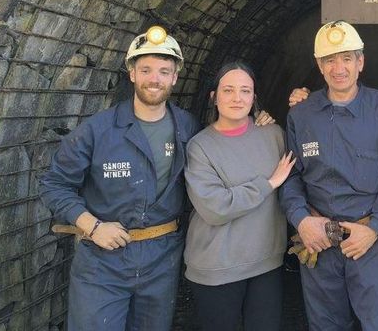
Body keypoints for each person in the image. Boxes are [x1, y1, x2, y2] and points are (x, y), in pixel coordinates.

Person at [39, 26, 200, 330]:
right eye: (146, 69)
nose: (155, 79)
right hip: (103, 261)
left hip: (161, 259)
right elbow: (54, 184)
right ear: (132, 74)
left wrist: (260, 119)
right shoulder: (98, 130)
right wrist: (92, 225)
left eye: (164, 71)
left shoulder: (187, 127)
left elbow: (224, 142)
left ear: (175, 77)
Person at [279, 20, 378, 331]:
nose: (339, 68)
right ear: (319, 65)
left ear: (361, 62)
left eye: (347, 58)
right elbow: (291, 176)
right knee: (325, 326)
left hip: (368, 241)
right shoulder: (301, 114)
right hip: (317, 241)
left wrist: (376, 228)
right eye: (330, 60)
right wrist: (301, 220)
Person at [183, 61, 296, 331]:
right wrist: (268, 184)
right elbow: (215, 208)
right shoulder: (200, 147)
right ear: (214, 97)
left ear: (254, 98)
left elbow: (296, 185)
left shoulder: (273, 134)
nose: (237, 98)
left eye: (245, 91)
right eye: (228, 90)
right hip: (217, 267)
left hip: (266, 262)